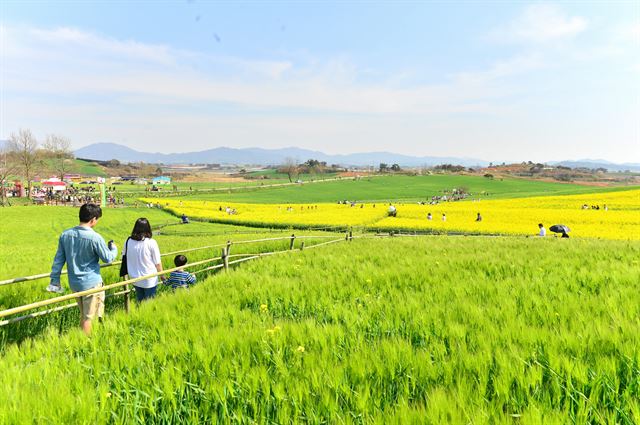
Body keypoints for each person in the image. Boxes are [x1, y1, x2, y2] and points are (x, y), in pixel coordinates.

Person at [48, 203, 117, 336]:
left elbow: (58, 260)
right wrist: (113, 249)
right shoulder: (95, 238)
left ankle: (83, 338)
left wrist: (54, 281)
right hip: (91, 284)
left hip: (74, 284)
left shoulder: (66, 235)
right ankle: (85, 344)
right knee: (89, 317)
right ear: (93, 220)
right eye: (97, 220)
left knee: (84, 315)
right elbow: (108, 258)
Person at [124, 218, 164, 302]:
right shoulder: (151, 242)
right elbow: (157, 263)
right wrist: (162, 276)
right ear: (148, 228)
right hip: (149, 279)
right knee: (149, 303)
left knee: (140, 301)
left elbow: (124, 256)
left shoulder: (128, 241)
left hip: (135, 278)